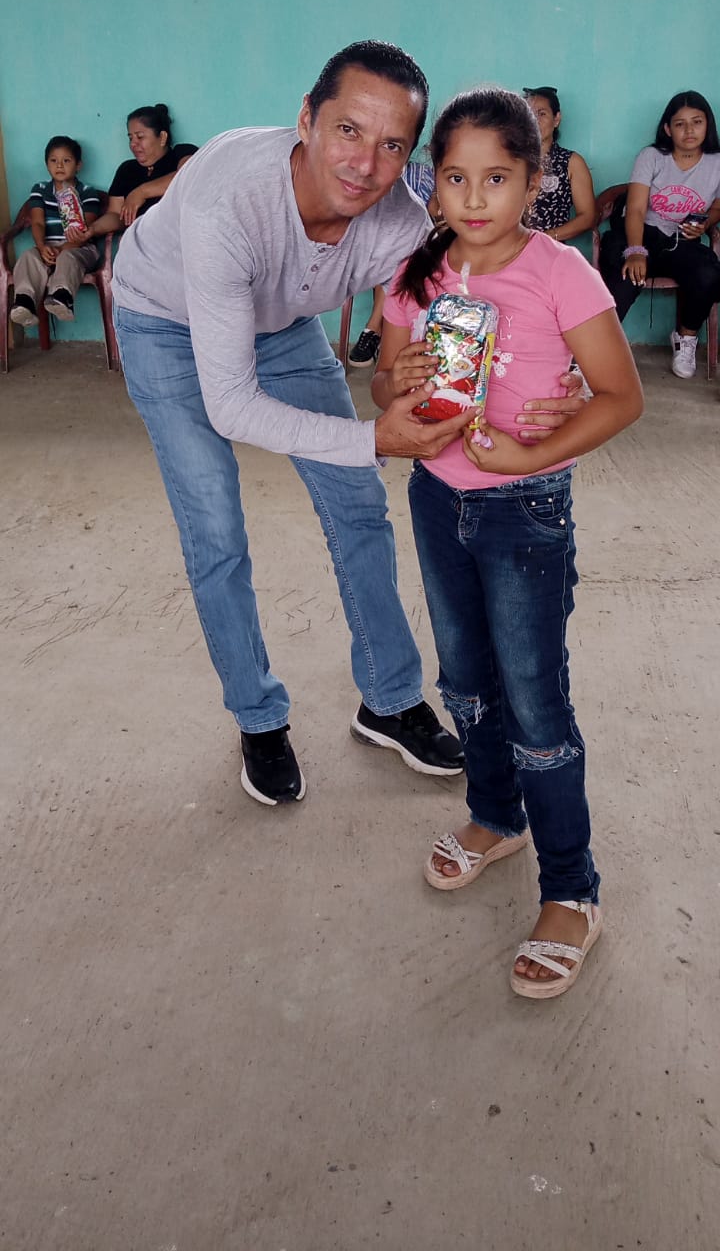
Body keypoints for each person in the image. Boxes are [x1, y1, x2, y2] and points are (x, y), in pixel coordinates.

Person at [111, 43, 585, 810]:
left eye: (393, 144)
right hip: (164, 320)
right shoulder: (228, 199)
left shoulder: (399, 227)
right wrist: (374, 438)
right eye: (348, 131)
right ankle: (259, 717)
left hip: (282, 323)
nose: (366, 164)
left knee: (359, 504)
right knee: (215, 529)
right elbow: (232, 405)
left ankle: (389, 700)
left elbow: (486, 296)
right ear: (307, 117)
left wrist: (564, 379)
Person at [373, 87, 643, 998]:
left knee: (534, 701)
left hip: (524, 511)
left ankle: (571, 889)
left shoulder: (560, 273)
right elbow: (385, 385)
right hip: (436, 497)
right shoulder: (417, 271)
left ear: (534, 183)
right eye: (455, 177)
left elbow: (621, 396)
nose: (475, 197)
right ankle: (495, 816)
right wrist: (401, 383)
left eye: (497, 178)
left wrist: (533, 452)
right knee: (463, 681)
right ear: (433, 184)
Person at [599, 90, 720, 379]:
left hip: (682, 241)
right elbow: (636, 209)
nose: (689, 130)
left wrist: (705, 223)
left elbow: (717, 206)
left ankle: (685, 338)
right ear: (667, 129)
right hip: (641, 234)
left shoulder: (717, 163)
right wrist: (635, 251)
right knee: (625, 276)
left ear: (707, 125)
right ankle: (598, 353)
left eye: (697, 122)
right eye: (680, 124)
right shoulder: (652, 156)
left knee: (708, 274)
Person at [348, 158, 440, 368]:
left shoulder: (424, 175)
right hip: (386, 250)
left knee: (401, 261)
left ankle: (373, 329)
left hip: (421, 247)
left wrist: (438, 193)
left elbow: (436, 214)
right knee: (394, 259)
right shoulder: (372, 175)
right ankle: (375, 331)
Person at [71, 103, 198, 246]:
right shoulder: (127, 170)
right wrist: (93, 229)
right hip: (141, 244)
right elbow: (116, 214)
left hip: (179, 241)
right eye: (130, 138)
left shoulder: (182, 153)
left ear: (162, 137)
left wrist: (141, 192)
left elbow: (188, 176)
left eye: (140, 137)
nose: (133, 144)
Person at [10, 136, 102, 326]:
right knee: (28, 256)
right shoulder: (40, 189)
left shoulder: (87, 192)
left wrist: (62, 249)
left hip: (80, 247)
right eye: (53, 160)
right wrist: (42, 247)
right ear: (47, 165)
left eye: (66, 160)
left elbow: (85, 230)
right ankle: (25, 302)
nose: (59, 165)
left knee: (67, 257)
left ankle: (62, 298)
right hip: (48, 247)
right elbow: (37, 223)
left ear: (78, 165)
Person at [522, 86, 596, 241]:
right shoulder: (512, 160)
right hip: (509, 248)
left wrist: (545, 238)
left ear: (556, 119)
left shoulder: (571, 162)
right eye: (529, 114)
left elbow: (587, 217)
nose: (535, 120)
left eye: (542, 113)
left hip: (550, 248)